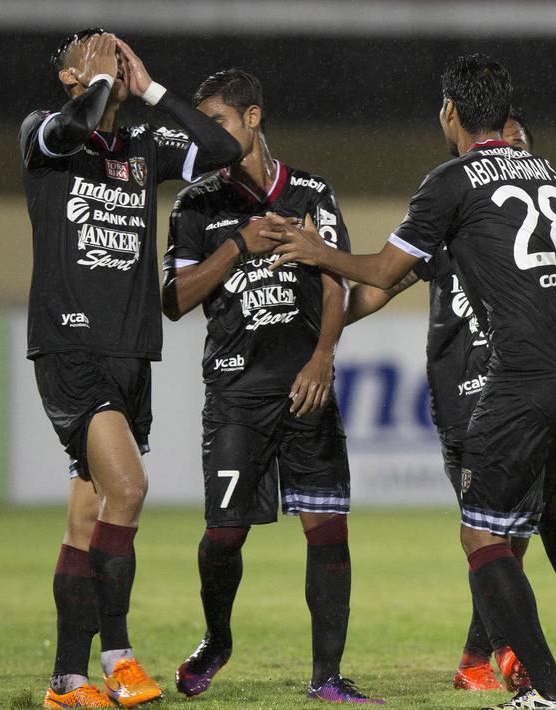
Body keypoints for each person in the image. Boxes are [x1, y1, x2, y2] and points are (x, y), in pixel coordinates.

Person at [260, 53, 556, 710]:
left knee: (482, 533)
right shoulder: (545, 170)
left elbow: (384, 272)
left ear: (449, 113)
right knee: (527, 515)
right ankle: (540, 653)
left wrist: (317, 252)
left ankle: (545, 690)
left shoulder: (450, 181)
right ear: (505, 114)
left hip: (524, 374)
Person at [345, 109, 556, 695]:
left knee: (515, 522)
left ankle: (533, 653)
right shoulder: (450, 215)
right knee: (498, 531)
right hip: (468, 393)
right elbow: (381, 283)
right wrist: (326, 333)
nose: (508, 154)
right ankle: (500, 655)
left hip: (520, 384)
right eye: (503, 142)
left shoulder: (540, 224)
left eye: (520, 145)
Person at [20, 29, 240, 709]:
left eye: (115, 48)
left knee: (87, 519)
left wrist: (148, 88)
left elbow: (227, 150)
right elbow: (80, 120)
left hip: (131, 351)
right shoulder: (45, 130)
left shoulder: (144, 144)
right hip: (72, 347)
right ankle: (116, 656)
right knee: (131, 488)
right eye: (91, 48)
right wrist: (100, 82)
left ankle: (66, 680)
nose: (107, 52)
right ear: (68, 76)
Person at [160, 69, 380, 704]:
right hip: (236, 392)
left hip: (306, 386)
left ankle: (327, 679)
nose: (207, 136)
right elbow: (173, 301)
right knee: (225, 535)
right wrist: (236, 246)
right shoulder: (196, 203)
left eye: (218, 122)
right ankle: (218, 638)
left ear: (253, 119)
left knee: (327, 527)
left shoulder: (310, 192)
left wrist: (324, 355)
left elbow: (335, 281)